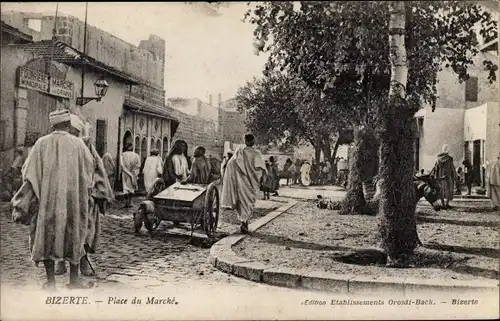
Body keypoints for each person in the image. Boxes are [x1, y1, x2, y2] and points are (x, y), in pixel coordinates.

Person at [11, 109, 94, 290]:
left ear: (52, 125)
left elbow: (28, 172)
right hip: (73, 201)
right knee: (74, 235)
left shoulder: (41, 144)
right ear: (68, 124)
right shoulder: (78, 144)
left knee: (47, 236)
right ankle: (74, 281)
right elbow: (89, 169)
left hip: (47, 202)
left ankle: (50, 282)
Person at [221, 133, 266, 234]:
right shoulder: (256, 153)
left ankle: (243, 222)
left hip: (241, 182)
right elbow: (260, 168)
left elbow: (230, 165)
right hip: (251, 183)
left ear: (245, 141)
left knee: (242, 202)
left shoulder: (239, 152)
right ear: (253, 141)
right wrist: (259, 178)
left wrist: (235, 177)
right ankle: (244, 222)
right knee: (248, 202)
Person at [431, 144, 456, 209]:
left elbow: (435, 168)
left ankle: (443, 204)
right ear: (448, 150)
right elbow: (452, 168)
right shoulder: (449, 158)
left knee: (441, 190)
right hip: (448, 177)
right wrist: (454, 176)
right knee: (449, 190)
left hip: (440, 177)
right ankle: (446, 204)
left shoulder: (438, 158)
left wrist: (436, 176)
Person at [121, 143, 141, 208]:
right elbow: (138, 165)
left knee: (126, 188)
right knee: (132, 188)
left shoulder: (122, 155)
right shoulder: (136, 155)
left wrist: (126, 170)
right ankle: (130, 202)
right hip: (133, 173)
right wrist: (134, 172)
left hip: (125, 173)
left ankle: (126, 203)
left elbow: (121, 165)